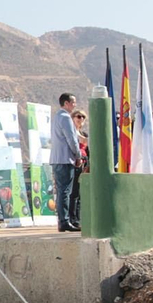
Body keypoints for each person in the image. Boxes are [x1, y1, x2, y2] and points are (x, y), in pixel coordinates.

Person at [51, 93, 81, 232]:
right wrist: (78, 155)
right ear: (67, 103)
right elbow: (72, 139)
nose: (75, 105)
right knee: (65, 192)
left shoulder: (57, 117)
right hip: (64, 159)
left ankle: (63, 220)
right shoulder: (65, 118)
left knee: (61, 190)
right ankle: (65, 221)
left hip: (57, 159)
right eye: (73, 102)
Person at [70, 109, 90, 227]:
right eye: (78, 116)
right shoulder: (71, 132)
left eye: (83, 117)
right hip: (74, 163)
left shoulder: (84, 134)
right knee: (73, 192)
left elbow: (88, 148)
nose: (81, 119)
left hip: (84, 163)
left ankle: (79, 218)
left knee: (80, 192)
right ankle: (72, 218)